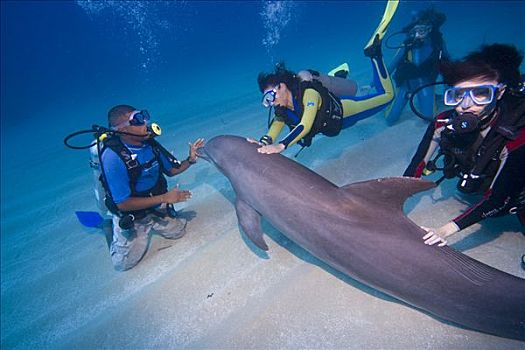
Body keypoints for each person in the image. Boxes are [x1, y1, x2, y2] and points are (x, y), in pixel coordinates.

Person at [402, 44, 525, 246]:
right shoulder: (442, 123)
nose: (466, 105)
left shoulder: (516, 136)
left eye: (481, 93)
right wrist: (394, 197)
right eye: (458, 95)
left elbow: (498, 199)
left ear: (500, 93)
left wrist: (444, 230)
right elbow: (417, 165)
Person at [252, 0, 398, 155]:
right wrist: (264, 142)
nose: (271, 102)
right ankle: (340, 77)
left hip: (347, 111)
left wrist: (281, 145)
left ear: (281, 86)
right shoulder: (282, 109)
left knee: (388, 96)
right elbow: (277, 124)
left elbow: (305, 124)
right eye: (267, 100)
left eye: (271, 96)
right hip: (335, 125)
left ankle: (374, 54)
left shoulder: (308, 93)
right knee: (362, 97)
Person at [100, 105, 205, 271]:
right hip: (133, 213)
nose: (145, 122)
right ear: (122, 130)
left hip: (157, 205)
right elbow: (122, 203)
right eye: (138, 120)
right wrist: (165, 198)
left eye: (144, 116)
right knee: (123, 265)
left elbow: (171, 170)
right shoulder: (112, 158)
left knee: (179, 232)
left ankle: (160, 218)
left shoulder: (150, 144)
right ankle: (109, 227)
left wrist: (190, 159)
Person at [384, 8, 449, 125]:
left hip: (426, 83)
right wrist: (374, 84)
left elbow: (447, 63)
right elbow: (392, 64)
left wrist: (449, 87)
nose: (422, 32)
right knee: (390, 119)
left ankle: (434, 97)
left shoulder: (437, 43)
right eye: (419, 29)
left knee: (428, 118)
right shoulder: (407, 44)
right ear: (413, 29)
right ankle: (432, 98)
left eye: (426, 28)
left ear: (431, 29)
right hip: (406, 84)